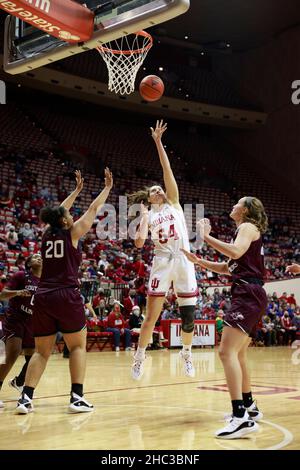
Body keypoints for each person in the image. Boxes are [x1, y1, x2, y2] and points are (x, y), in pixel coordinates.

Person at [15, 168, 113, 414]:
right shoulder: (73, 233)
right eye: (67, 215)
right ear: (64, 220)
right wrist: (107, 189)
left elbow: (59, 210)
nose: (70, 215)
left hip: (44, 296)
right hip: (66, 294)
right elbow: (92, 209)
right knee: (78, 346)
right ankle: (77, 398)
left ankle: (25, 399)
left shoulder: (47, 235)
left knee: (42, 351)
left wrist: (75, 191)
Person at [182, 196, 268, 439]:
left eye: (237, 203)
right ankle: (249, 406)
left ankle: (240, 417)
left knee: (225, 352)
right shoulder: (245, 232)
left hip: (248, 294)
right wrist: (199, 261)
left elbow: (236, 251)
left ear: (246, 210)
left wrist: (207, 237)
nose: (233, 206)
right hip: (252, 293)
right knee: (238, 354)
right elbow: (226, 267)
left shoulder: (247, 227)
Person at [129, 120, 198, 380]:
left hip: (183, 260)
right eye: (154, 190)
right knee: (151, 317)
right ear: (150, 198)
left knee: (188, 315)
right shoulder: (148, 215)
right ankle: (139, 357)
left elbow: (166, 169)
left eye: (160, 188)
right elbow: (138, 243)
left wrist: (158, 142)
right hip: (161, 262)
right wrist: (144, 219)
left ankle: (187, 353)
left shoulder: (175, 205)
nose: (159, 189)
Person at [0, 254, 42, 408]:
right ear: (29, 263)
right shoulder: (21, 276)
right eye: (35, 257)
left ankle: (19, 382)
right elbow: (2, 295)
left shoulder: (45, 282)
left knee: (34, 357)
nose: (39, 258)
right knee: (12, 353)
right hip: (15, 319)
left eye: (41, 257)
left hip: (32, 322)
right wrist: (17, 292)